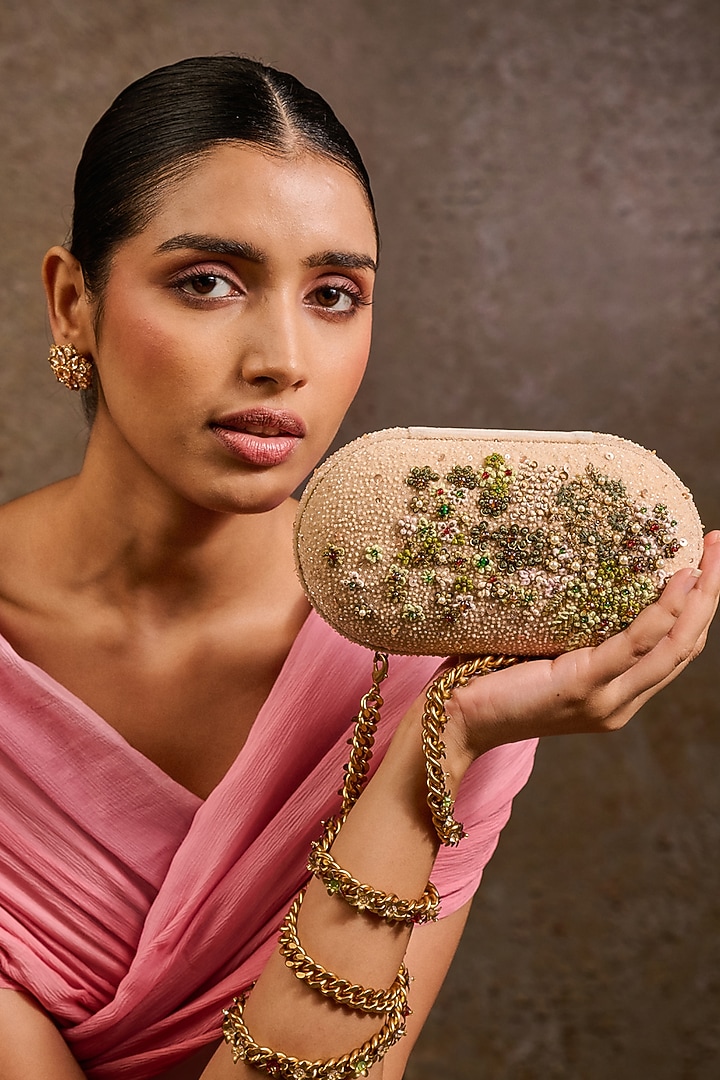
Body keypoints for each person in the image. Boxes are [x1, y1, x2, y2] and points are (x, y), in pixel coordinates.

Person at [0, 55, 717, 1080]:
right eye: (208, 282)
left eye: (335, 294)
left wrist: (447, 744)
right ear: (74, 303)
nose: (282, 357)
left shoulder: (452, 666)